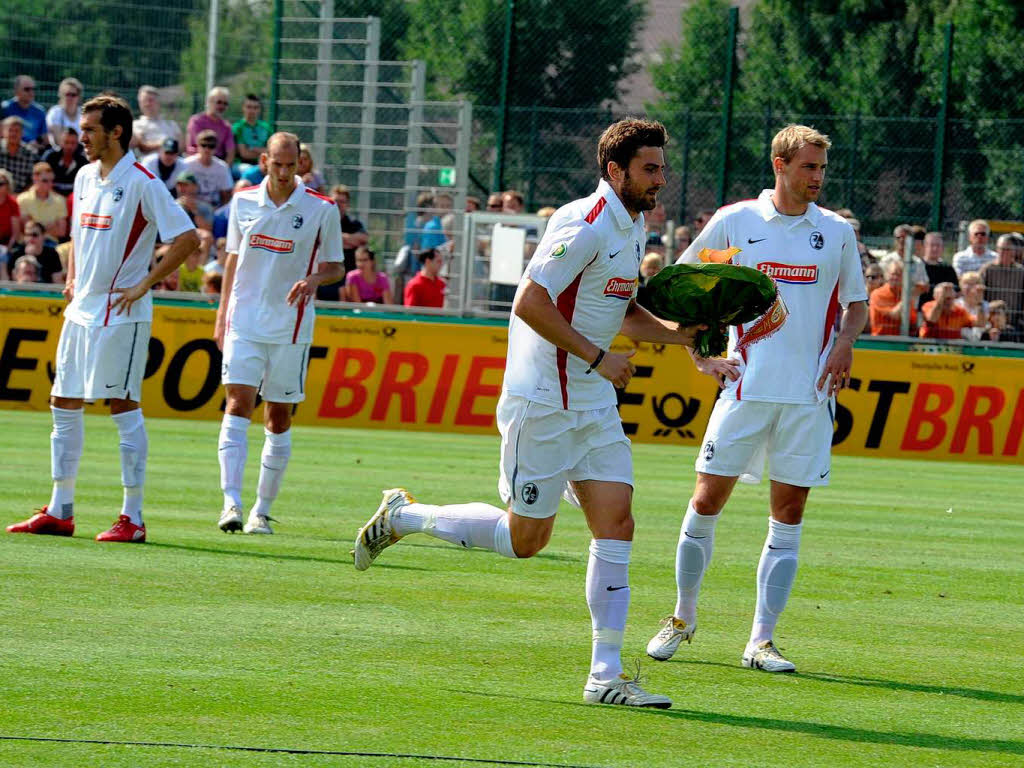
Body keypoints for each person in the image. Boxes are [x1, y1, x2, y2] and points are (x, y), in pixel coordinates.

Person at [353, 118, 708, 709]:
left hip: (590, 403)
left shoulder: (635, 222)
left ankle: (605, 676)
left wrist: (681, 337)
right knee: (525, 541)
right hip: (542, 401)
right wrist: (599, 359)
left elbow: (618, 309)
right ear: (614, 170)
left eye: (661, 167)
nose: (660, 179)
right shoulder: (584, 223)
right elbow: (529, 302)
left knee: (617, 524)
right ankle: (406, 517)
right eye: (649, 168)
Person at [646, 124, 868, 675]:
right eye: (808, 167)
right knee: (704, 501)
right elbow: (686, 288)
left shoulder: (836, 232)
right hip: (744, 388)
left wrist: (844, 345)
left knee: (788, 514)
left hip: (810, 395)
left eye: (821, 168)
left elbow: (856, 304)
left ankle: (761, 641)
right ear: (780, 165)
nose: (817, 178)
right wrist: (699, 357)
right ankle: (682, 617)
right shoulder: (735, 222)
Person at [6, 94, 198, 543]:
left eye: (90, 129)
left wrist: (143, 285)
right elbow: (77, 235)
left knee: (123, 406)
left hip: (122, 312)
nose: (82, 137)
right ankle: (60, 509)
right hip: (81, 309)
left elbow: (186, 239)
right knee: (63, 402)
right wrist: (72, 277)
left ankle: (133, 517)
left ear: (116, 132)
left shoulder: (144, 182)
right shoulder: (86, 175)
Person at [214, 132, 343, 535]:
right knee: (237, 403)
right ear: (265, 161)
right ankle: (230, 504)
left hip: (291, 326)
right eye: (277, 164)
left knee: (278, 415)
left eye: (291, 165)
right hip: (245, 321)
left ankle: (261, 511)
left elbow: (336, 266)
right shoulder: (243, 201)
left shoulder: (322, 209)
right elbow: (232, 260)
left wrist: (313, 280)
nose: (284, 172)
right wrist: (221, 315)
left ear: (300, 163)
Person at [315, 183, 368, 300]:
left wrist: (331, 238)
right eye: (335, 201)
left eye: (342, 202)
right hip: (326, 273)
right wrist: (349, 240)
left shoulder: (353, 224)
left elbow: (363, 239)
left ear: (348, 205)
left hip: (349, 275)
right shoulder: (321, 221)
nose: (338, 205)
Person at [978, 234, 1024, 327]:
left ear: (1014, 251)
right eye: (1000, 249)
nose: (1003, 252)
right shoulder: (988, 269)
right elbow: (979, 292)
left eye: (1007, 249)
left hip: (1014, 321)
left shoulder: (1021, 271)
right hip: (991, 320)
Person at [17, 162, 68, 241]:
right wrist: (49, 228)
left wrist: (35, 224)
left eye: (51, 180)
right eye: (45, 180)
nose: (50, 184)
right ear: (34, 178)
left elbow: (61, 232)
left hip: (50, 244)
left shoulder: (60, 200)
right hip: (28, 242)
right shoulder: (22, 199)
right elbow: (25, 229)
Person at [186, 87, 234, 164]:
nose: (222, 106)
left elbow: (230, 153)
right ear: (209, 102)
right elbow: (202, 147)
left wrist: (224, 169)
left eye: (225, 103)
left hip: (218, 163)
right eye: (219, 102)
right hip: (197, 160)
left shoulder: (226, 127)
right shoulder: (197, 121)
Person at [132, 85, 183, 156]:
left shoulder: (172, 124)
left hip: (172, 162)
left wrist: (161, 144)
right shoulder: (136, 124)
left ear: (158, 102)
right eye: (143, 101)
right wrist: (164, 143)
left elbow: (180, 147)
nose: (147, 104)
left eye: (150, 100)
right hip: (147, 164)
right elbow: (142, 146)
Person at [2, 76, 47, 150]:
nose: (31, 92)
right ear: (16, 91)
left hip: (32, 152)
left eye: (33, 89)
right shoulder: (5, 108)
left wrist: (37, 143)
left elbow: (44, 137)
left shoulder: (40, 111)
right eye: (27, 89)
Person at [43, 127, 89, 198]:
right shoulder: (50, 158)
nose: (69, 146)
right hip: (51, 200)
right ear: (61, 142)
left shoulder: (83, 162)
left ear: (77, 144)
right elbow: (42, 181)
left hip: (74, 201)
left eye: (73, 143)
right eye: (66, 142)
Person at [232, 94, 271, 178]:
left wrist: (252, 148)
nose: (252, 110)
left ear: (259, 110)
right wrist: (263, 151)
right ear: (243, 108)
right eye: (249, 107)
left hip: (264, 163)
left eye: (255, 107)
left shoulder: (266, 127)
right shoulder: (237, 128)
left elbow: (271, 151)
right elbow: (244, 154)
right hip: (242, 165)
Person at [0, 116, 39, 192]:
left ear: (22, 133)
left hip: (21, 197)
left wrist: (22, 196)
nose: (13, 133)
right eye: (10, 130)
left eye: (17, 131)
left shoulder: (31, 154)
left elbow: (34, 181)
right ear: (3, 132)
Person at [45, 78, 83, 149]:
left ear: (78, 96)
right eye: (67, 94)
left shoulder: (83, 114)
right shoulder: (55, 112)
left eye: (73, 95)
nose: (70, 98)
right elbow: (58, 140)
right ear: (61, 95)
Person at [0, 169, 22, 258]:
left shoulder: (12, 204)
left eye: (1, 183)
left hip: (6, 244)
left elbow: (15, 233)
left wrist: (6, 250)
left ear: (8, 185)